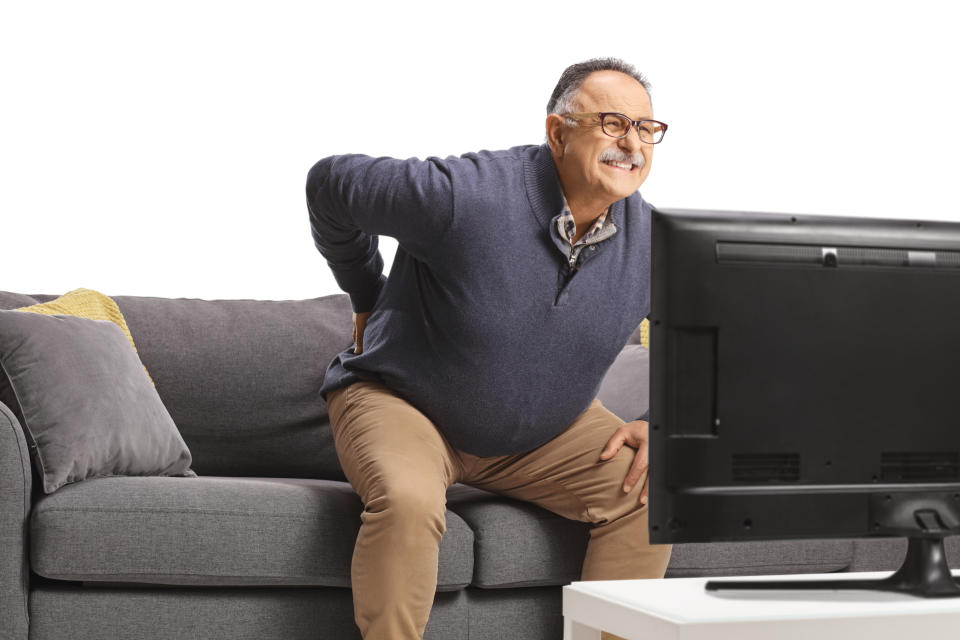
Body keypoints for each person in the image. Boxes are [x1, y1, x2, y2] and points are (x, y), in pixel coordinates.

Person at [306, 57, 671, 640]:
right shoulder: (462, 196)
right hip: (404, 403)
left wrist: (666, 422)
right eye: (610, 122)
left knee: (652, 493)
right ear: (557, 132)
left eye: (646, 129)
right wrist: (364, 288)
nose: (631, 143)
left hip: (546, 433)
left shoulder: (653, 243)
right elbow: (330, 183)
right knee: (407, 502)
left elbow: (712, 336)